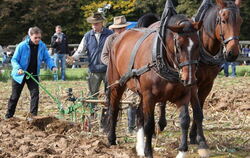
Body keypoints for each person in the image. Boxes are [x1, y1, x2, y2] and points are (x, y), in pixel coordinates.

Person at [5, 27, 57, 119]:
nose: (38, 40)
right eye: (35, 38)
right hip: (20, 74)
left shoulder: (42, 46)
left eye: (39, 38)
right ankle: (8, 116)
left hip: (33, 74)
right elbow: (14, 59)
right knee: (15, 95)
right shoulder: (22, 46)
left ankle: (33, 117)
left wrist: (52, 66)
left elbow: (47, 58)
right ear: (30, 36)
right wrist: (18, 69)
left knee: (35, 94)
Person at [101, 15, 138, 133]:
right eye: (118, 29)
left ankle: (131, 127)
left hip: (130, 74)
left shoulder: (132, 39)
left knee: (133, 100)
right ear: (114, 29)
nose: (120, 31)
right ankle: (108, 125)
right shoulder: (110, 39)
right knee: (111, 99)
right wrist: (115, 66)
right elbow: (104, 56)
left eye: (122, 28)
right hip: (114, 75)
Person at [71, 12, 113, 116]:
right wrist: (73, 57)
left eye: (96, 24)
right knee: (93, 94)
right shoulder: (87, 36)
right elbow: (80, 50)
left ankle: (108, 114)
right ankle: (93, 114)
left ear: (102, 23)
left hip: (108, 69)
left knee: (109, 93)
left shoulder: (110, 34)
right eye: (93, 24)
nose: (94, 26)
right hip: (93, 69)